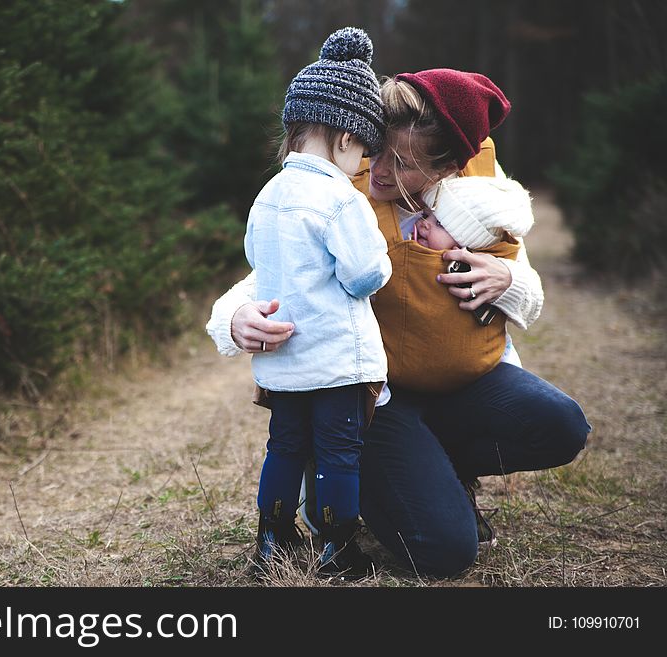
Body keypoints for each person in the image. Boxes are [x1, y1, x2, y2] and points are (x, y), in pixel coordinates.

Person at [207, 68, 591, 578]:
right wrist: (234, 318)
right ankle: (359, 473)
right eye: (377, 150)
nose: (380, 170)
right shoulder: (341, 187)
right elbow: (273, 271)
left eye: (403, 164)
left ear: (448, 167)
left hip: (462, 384)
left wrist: (508, 279)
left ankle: (439, 469)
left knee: (562, 425)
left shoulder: (479, 196)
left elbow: (529, 289)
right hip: (375, 397)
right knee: (445, 553)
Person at [244, 27, 392, 576]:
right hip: (335, 360)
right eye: (364, 152)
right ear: (346, 139)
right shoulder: (339, 197)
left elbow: (256, 258)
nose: (362, 165)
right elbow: (363, 275)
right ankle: (337, 547)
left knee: (283, 447)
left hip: (282, 362)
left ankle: (272, 538)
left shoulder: (268, 194)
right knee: (337, 454)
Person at [378, 174, 535, 394]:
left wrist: (509, 280)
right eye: (425, 216)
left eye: (439, 224)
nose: (423, 225)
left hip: (482, 370)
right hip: (401, 378)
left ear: (466, 245)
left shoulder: (482, 259)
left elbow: (532, 300)